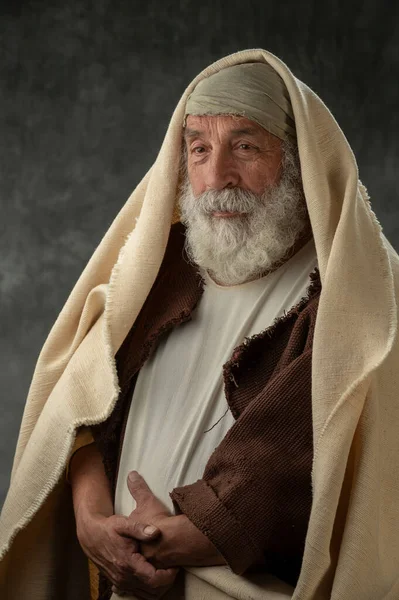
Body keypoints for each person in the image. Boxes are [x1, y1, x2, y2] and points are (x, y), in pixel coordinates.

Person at [1, 49, 399, 600]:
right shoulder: (159, 270)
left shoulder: (355, 289)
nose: (218, 178)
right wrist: (93, 520)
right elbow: (82, 417)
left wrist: (151, 541)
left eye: (246, 146)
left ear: (298, 157)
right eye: (200, 149)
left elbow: (300, 473)